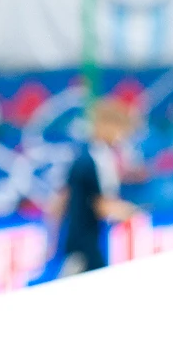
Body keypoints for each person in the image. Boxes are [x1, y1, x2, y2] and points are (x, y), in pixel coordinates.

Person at [49, 99, 139, 276]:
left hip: (87, 242)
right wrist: (128, 211)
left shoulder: (89, 156)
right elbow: (99, 203)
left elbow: (59, 201)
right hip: (84, 247)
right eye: (119, 129)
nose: (121, 136)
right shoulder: (93, 160)